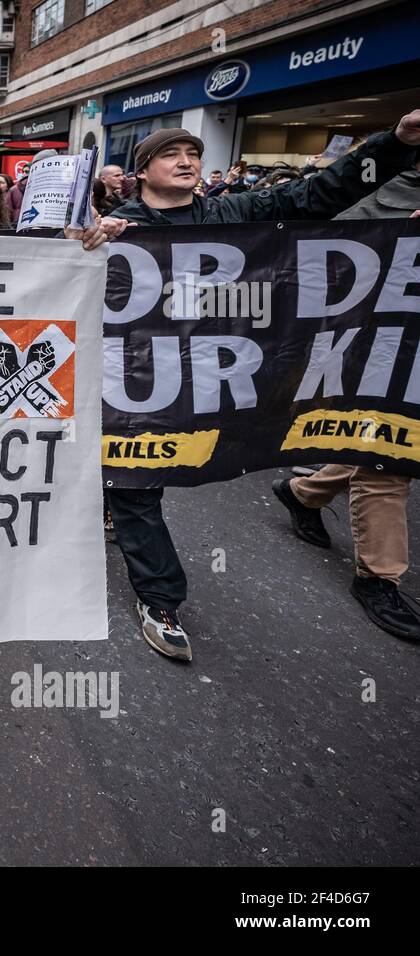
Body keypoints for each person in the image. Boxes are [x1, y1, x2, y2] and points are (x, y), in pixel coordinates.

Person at [108, 112, 420, 662]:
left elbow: (318, 194)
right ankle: (160, 600)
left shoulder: (232, 212)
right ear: (142, 172)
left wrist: (393, 144)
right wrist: (87, 242)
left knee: (142, 473)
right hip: (141, 378)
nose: (186, 162)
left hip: (214, 375)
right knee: (137, 477)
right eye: (170, 155)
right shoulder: (123, 226)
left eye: (193, 155)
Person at [270, 155, 420, 640]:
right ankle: (380, 576)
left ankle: (302, 492)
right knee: (392, 450)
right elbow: (330, 246)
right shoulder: (393, 185)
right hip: (388, 334)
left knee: (378, 439)